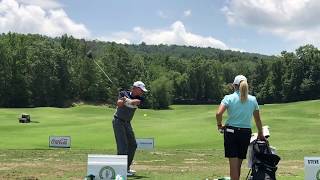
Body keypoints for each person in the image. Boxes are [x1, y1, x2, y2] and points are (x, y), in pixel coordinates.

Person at [215, 75, 265, 180]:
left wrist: (220, 125)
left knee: (233, 165)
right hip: (245, 134)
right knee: (238, 164)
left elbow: (218, 114)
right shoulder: (253, 99)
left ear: (234, 86)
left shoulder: (228, 98)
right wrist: (260, 133)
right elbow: (258, 120)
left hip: (230, 132)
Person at [112, 81, 147, 176]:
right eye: (141, 90)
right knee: (123, 146)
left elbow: (135, 102)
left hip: (127, 123)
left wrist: (127, 100)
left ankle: (126, 168)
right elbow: (118, 104)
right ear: (135, 88)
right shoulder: (123, 93)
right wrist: (123, 100)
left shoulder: (140, 98)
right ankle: (121, 170)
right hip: (118, 121)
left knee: (133, 145)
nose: (142, 92)